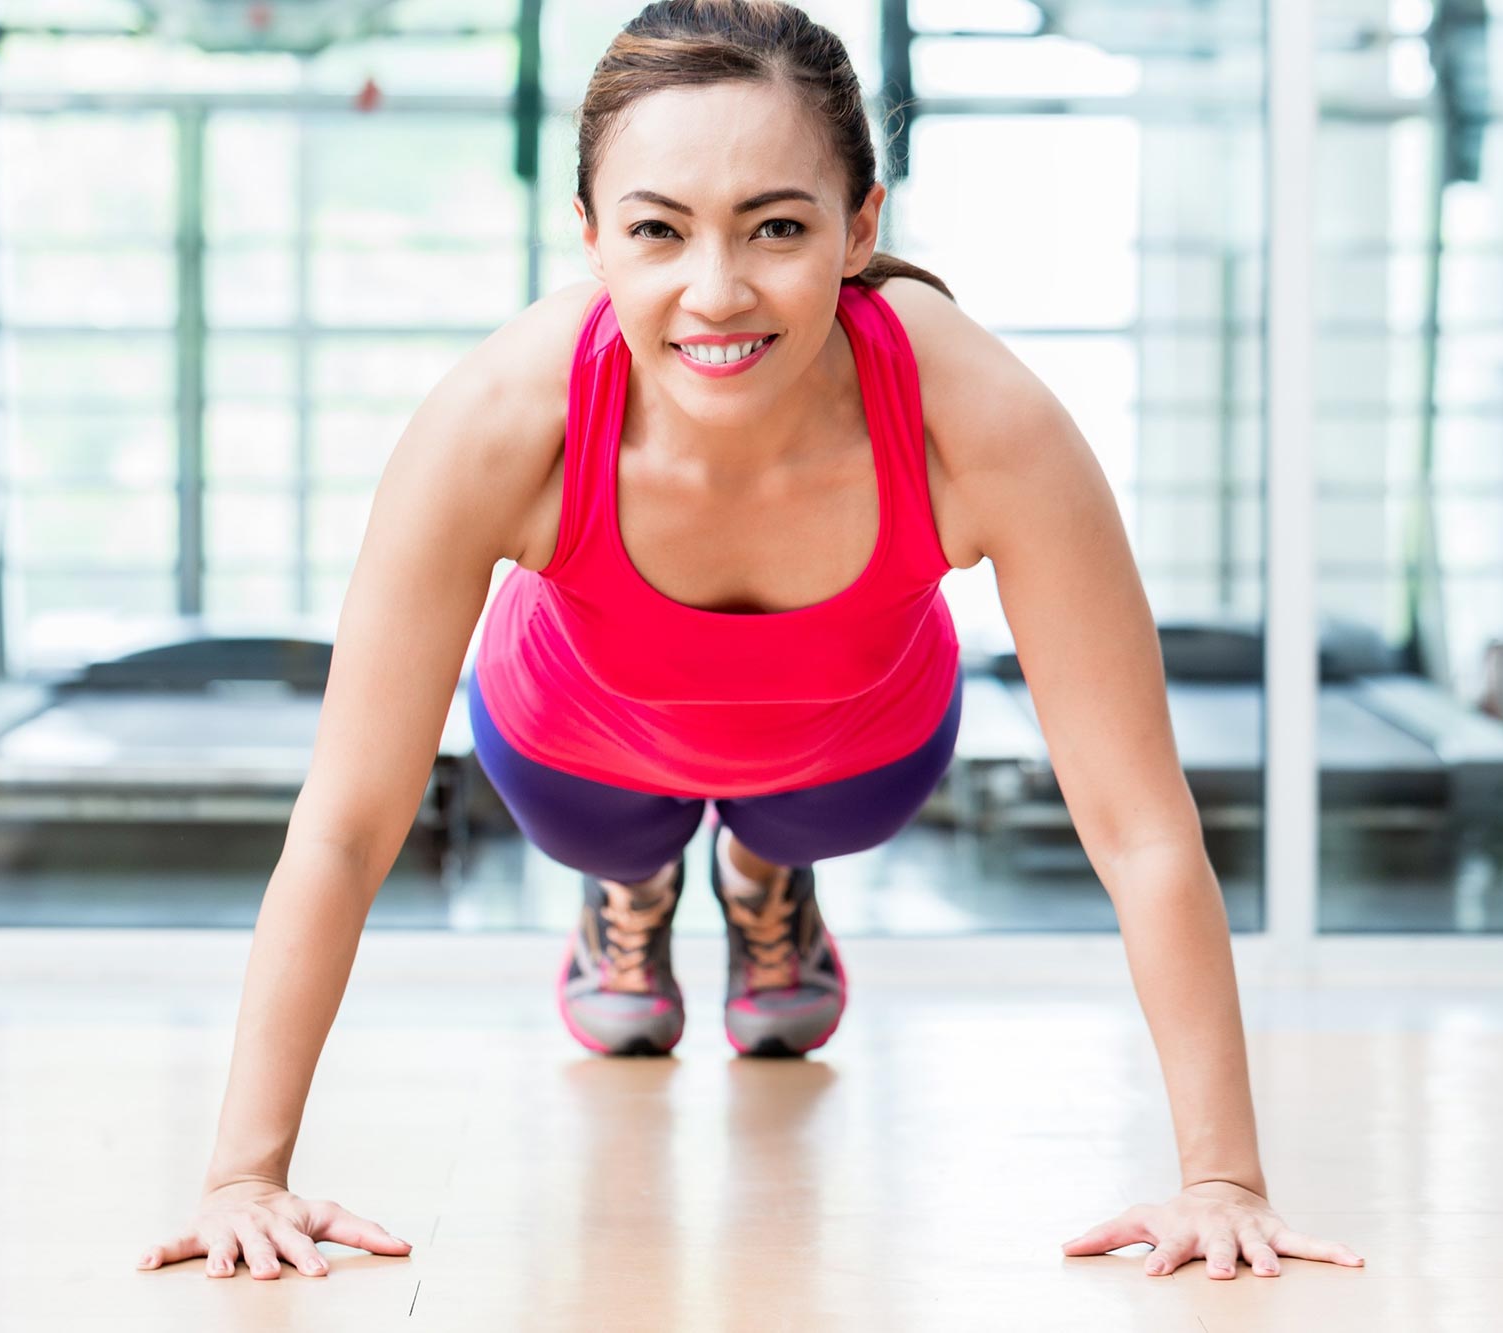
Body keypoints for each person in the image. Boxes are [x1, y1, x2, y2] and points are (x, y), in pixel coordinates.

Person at [138, 0, 1365, 1288]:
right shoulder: (500, 422)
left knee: (798, 822)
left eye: (777, 226)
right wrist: (244, 1176)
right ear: (591, 239)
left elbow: (1140, 821)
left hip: (856, 744)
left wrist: (1222, 1179)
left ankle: (770, 883)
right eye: (658, 231)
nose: (715, 291)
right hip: (575, 740)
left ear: (860, 229)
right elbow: (345, 822)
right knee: (616, 833)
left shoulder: (981, 420)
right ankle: (634, 894)